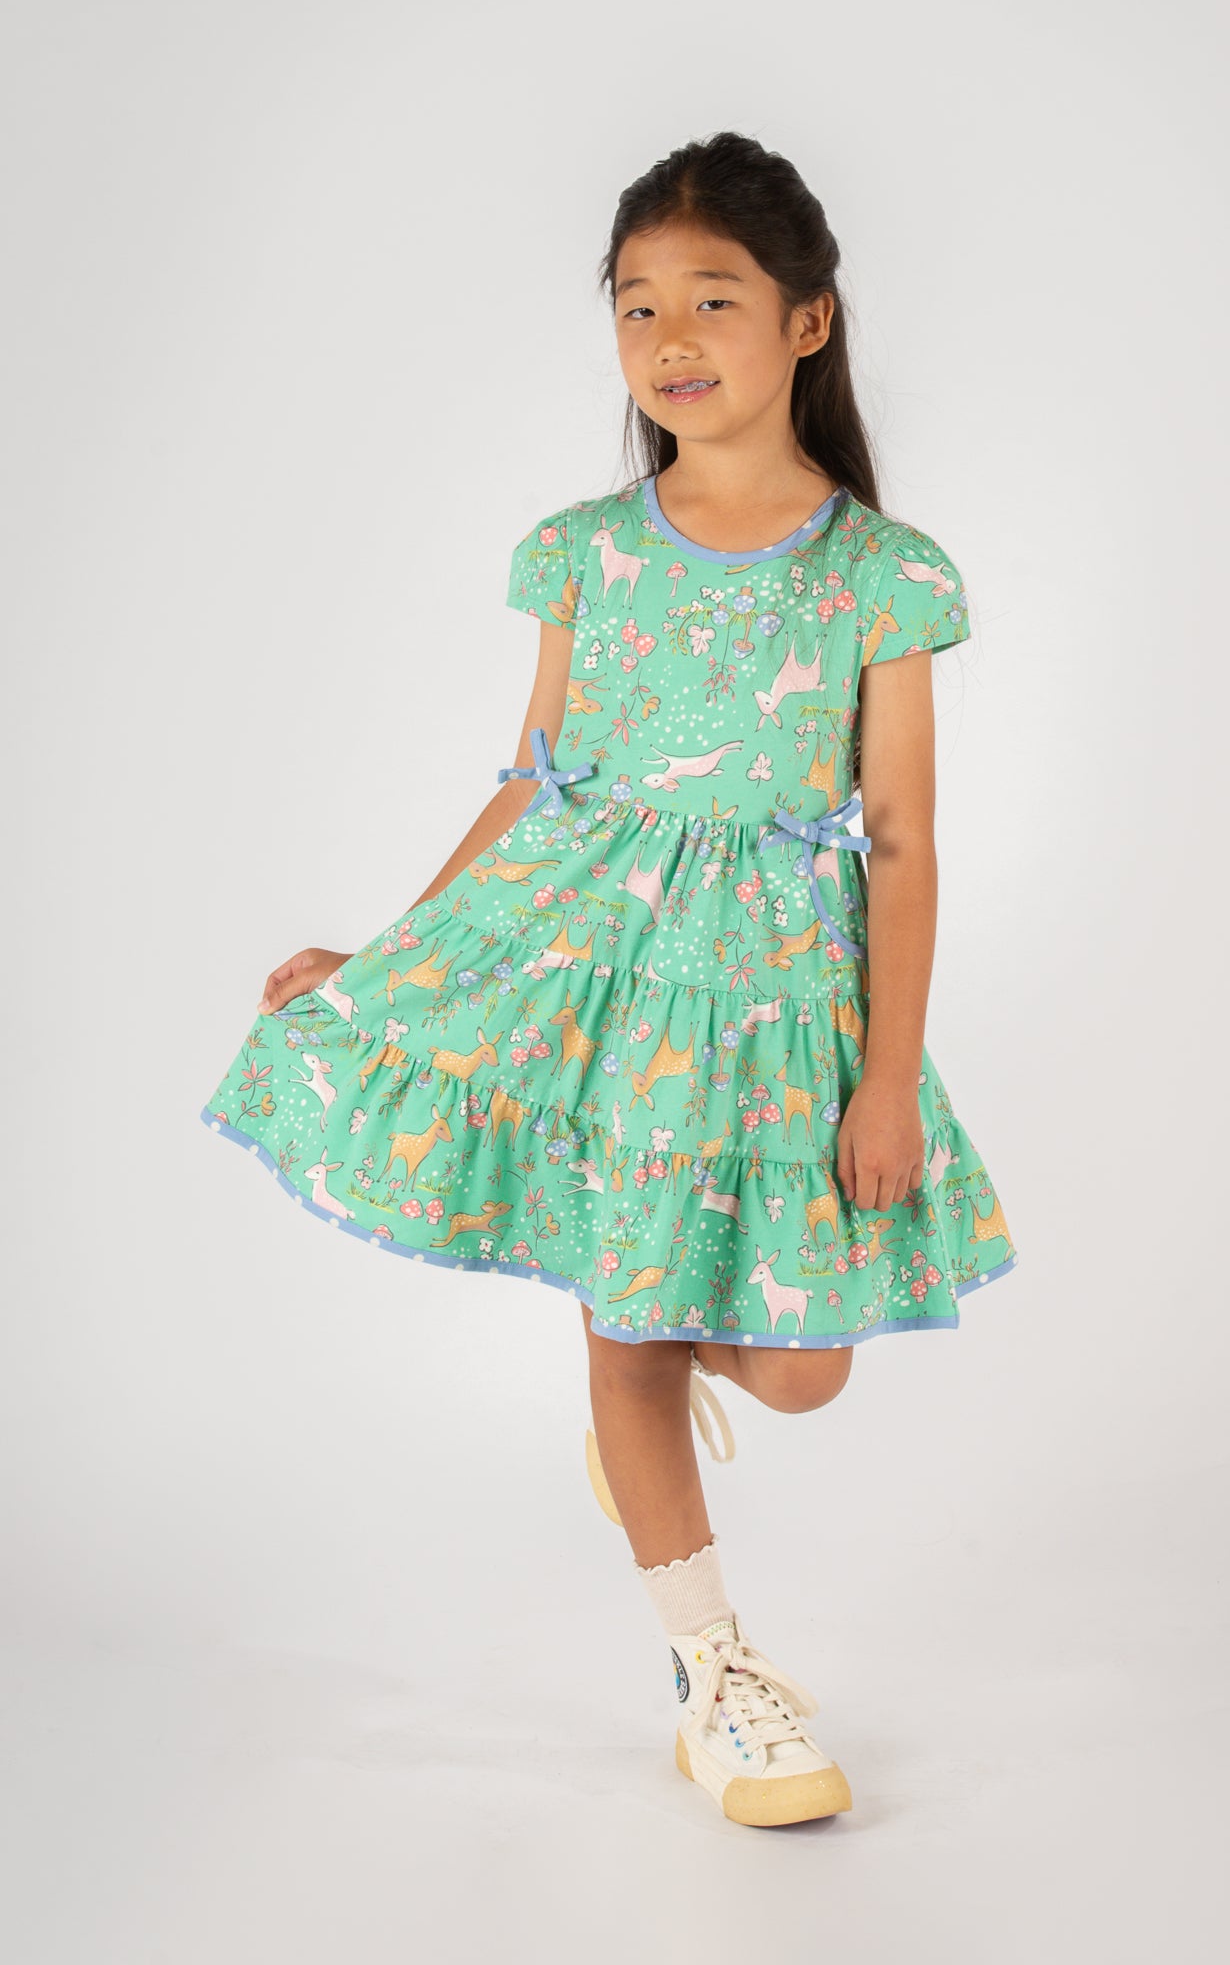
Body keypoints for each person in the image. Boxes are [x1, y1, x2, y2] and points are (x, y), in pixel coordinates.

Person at [198, 130, 1019, 1828]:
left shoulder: (879, 576)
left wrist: (884, 1078)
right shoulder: (586, 551)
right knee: (628, 1321)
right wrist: (391, 955)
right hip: (578, 979)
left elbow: (901, 842)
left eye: (711, 298)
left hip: (770, 1010)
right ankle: (713, 1673)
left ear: (805, 320)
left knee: (800, 1362)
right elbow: (535, 780)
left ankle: (645, 1401)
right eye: (636, 304)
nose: (669, 337)